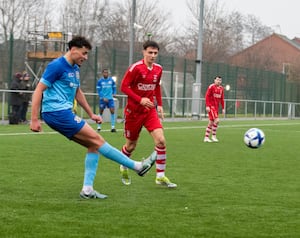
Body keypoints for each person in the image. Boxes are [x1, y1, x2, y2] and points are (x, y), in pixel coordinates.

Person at [30, 36, 157, 199]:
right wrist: (34, 118)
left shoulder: (74, 68)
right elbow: (38, 90)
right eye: (84, 53)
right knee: (98, 140)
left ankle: (87, 190)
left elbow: (77, 92)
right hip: (57, 113)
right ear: (73, 50)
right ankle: (137, 166)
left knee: (94, 146)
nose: (86, 57)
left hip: (62, 113)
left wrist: (91, 114)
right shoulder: (56, 66)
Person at [119, 40, 177, 188]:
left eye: (155, 53)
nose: (152, 55)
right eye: (150, 52)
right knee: (131, 146)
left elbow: (156, 87)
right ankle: (124, 165)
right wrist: (140, 99)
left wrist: (159, 105)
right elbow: (124, 87)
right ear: (144, 52)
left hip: (150, 110)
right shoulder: (135, 68)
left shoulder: (158, 69)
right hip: (133, 112)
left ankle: (160, 176)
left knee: (161, 141)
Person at [203, 76, 225, 142]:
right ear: (214, 80)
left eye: (220, 80)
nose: (218, 81)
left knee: (211, 122)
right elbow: (207, 96)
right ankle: (213, 136)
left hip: (216, 107)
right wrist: (207, 106)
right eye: (217, 80)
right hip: (211, 106)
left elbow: (222, 99)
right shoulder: (211, 87)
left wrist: (223, 108)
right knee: (217, 120)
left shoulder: (221, 88)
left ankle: (206, 137)